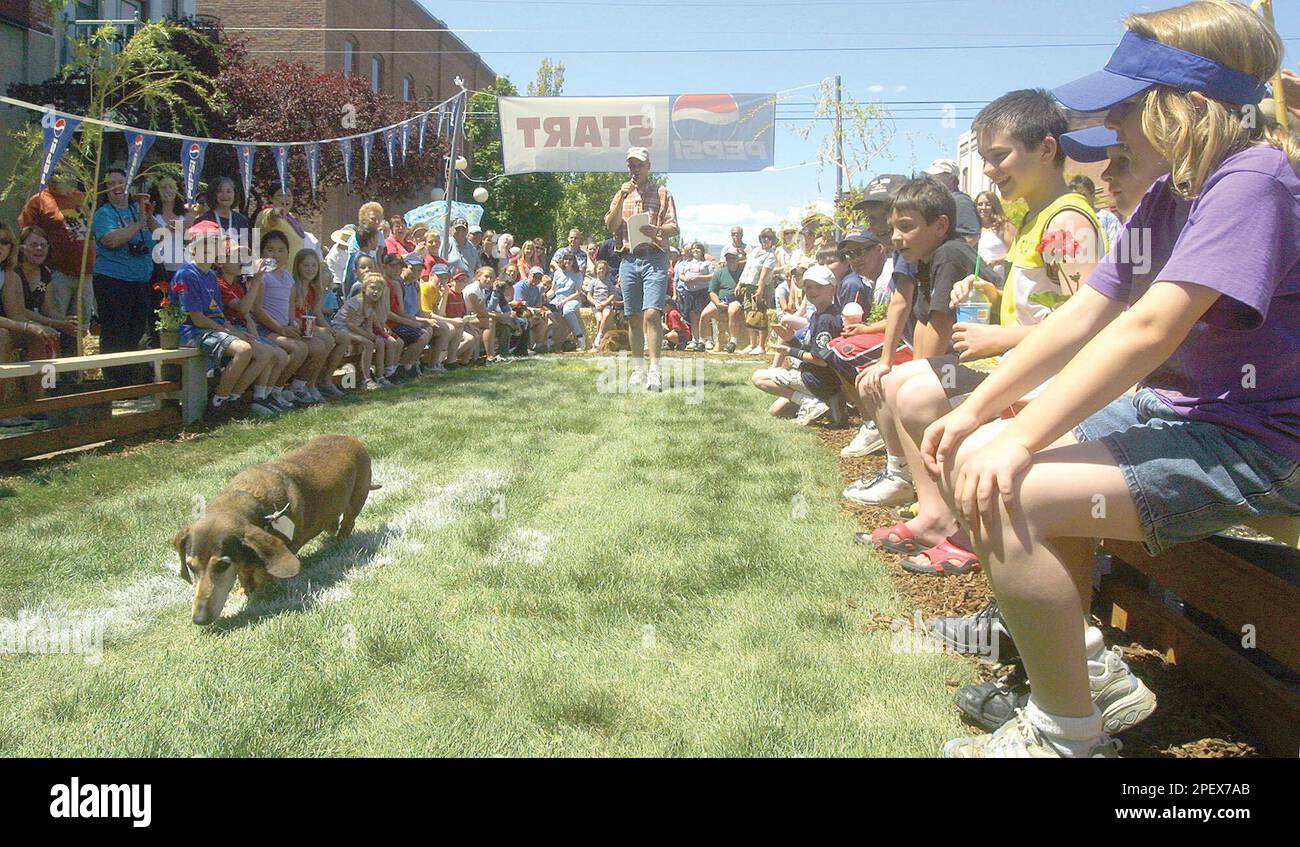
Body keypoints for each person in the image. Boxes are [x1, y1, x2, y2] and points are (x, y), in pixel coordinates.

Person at [929, 0, 1300, 758]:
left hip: (1265, 442)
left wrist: (1018, 436)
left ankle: (1068, 736)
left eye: (1128, 107)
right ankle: (1090, 677)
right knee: (990, 454)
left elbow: (1147, 328)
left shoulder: (1253, 179)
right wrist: (981, 414)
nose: (1115, 131)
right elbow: (1080, 318)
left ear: (1189, 108)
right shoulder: (1172, 195)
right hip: (1185, 415)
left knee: (1015, 486)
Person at [865, 89, 1103, 573]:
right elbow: (1043, 305)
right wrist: (992, 299)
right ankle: (937, 513)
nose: (991, 170)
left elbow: (1089, 324)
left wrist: (1002, 339)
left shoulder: (1068, 221)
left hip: (1050, 377)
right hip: (1025, 362)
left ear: (1047, 149)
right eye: (986, 158)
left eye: (1000, 157)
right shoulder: (1036, 215)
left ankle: (965, 528)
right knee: (898, 383)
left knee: (913, 395)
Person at [846, 177, 981, 507]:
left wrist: (915, 373)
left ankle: (929, 488)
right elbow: (919, 318)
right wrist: (891, 364)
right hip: (959, 361)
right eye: (892, 227)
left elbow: (940, 325)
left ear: (940, 225)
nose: (894, 236)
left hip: (985, 364)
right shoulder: (923, 257)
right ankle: (903, 474)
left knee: (903, 390)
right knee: (878, 382)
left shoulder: (948, 254)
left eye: (905, 226)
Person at [174, 222, 268, 419]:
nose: (210, 250)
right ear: (193, 249)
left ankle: (234, 400)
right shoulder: (187, 273)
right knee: (244, 350)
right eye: (205, 246)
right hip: (193, 333)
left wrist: (232, 329)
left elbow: (217, 313)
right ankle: (217, 404)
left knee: (260, 351)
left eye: (214, 245)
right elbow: (198, 319)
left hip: (213, 329)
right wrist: (229, 331)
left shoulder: (210, 276)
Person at [604, 146, 679, 391]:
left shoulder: (662, 192)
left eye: (639, 165)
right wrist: (620, 201)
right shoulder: (622, 193)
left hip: (655, 257)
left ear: (648, 167)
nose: (635, 169)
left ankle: (655, 369)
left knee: (651, 314)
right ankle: (638, 369)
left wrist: (656, 230)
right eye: (631, 165)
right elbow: (610, 224)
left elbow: (674, 227)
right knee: (633, 316)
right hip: (628, 258)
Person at [751, 265, 843, 423]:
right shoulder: (818, 315)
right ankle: (815, 402)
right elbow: (812, 350)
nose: (813, 291)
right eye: (808, 287)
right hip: (816, 377)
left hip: (818, 380)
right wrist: (791, 339)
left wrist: (789, 350)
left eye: (819, 286)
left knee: (758, 377)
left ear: (832, 289)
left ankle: (810, 402)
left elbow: (820, 360)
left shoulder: (826, 319)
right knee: (776, 411)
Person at [92, 168, 156, 385]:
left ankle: (128, 381)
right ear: (106, 189)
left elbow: (158, 239)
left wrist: (148, 215)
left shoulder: (137, 210)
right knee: (115, 333)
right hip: (113, 281)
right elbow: (111, 240)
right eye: (112, 183)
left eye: (122, 182)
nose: (117, 187)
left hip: (140, 281)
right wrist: (138, 223)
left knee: (135, 331)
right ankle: (113, 382)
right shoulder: (104, 213)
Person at [215, 246, 295, 413]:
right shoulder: (220, 284)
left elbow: (246, 313)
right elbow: (243, 308)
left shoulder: (236, 285)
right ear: (221, 262)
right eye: (236, 257)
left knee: (278, 355)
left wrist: (251, 322)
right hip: (228, 330)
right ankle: (230, 399)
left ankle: (259, 397)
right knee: (268, 353)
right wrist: (258, 280)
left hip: (241, 328)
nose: (241, 261)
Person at [18, 169, 94, 322]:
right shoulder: (38, 200)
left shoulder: (78, 196)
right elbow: (27, 235)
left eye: (60, 172)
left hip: (85, 273)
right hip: (58, 273)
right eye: (52, 172)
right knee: (57, 324)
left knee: (80, 327)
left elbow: (85, 231)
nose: (56, 176)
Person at [250, 230, 315, 404]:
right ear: (262, 252)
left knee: (315, 346)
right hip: (264, 329)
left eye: (281, 250)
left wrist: (293, 323)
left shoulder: (287, 277)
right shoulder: (261, 276)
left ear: (287, 254)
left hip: (283, 328)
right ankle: (273, 391)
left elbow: (290, 306)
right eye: (270, 250)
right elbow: (257, 310)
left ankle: (288, 388)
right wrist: (280, 329)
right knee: (299, 348)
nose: (275, 254)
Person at [10, 226, 77, 356]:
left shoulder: (45, 273)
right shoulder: (13, 272)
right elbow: (20, 310)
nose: (39, 249)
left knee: (55, 335)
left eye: (43, 245)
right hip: (15, 324)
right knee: (41, 334)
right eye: (34, 245)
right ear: (22, 248)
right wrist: (57, 324)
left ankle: (55, 375)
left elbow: (48, 309)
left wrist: (67, 322)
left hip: (37, 322)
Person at [291, 248, 348, 397]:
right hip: (296, 326)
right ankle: (308, 384)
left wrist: (327, 328)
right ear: (298, 266)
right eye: (306, 265)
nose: (310, 269)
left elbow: (316, 312)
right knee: (325, 341)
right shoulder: (293, 286)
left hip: (308, 326)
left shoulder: (315, 288)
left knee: (342, 338)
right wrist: (320, 330)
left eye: (313, 266)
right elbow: (291, 316)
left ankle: (326, 380)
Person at [329, 275, 388, 391]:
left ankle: (380, 375)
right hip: (340, 327)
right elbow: (349, 323)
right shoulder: (357, 301)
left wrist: (372, 336)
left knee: (379, 342)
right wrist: (367, 336)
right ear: (365, 288)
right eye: (372, 288)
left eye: (379, 290)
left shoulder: (372, 306)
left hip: (354, 329)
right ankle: (367, 380)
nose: (375, 292)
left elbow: (369, 326)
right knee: (368, 343)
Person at [380, 250, 432, 377]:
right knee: (421, 335)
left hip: (397, 321)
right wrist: (414, 322)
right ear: (384, 266)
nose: (397, 270)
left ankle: (407, 366)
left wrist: (421, 321)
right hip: (387, 323)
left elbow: (402, 311)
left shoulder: (400, 284)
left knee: (427, 330)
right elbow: (388, 313)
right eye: (393, 267)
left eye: (399, 267)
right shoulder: (382, 284)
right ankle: (399, 368)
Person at [735, 227, 778, 354]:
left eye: (769, 237)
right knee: (749, 314)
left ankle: (761, 346)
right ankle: (752, 344)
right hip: (748, 286)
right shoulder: (754, 252)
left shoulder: (770, 255)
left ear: (772, 240)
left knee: (760, 315)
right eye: (764, 237)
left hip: (761, 287)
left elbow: (764, 275)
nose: (766, 239)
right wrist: (739, 283)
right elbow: (747, 269)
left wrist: (760, 290)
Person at [922, 158, 982, 246]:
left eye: (937, 177)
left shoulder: (960, 201)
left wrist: (951, 256)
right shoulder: (942, 201)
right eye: (931, 177)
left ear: (951, 179)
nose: (932, 181)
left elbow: (972, 236)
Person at [700, 246, 745, 353]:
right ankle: (705, 341)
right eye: (728, 258)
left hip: (735, 300)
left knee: (732, 311)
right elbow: (712, 291)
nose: (730, 260)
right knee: (704, 315)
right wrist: (718, 303)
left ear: (737, 259)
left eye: (733, 258)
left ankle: (733, 341)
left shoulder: (743, 273)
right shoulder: (719, 273)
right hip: (720, 300)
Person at [1068, 174, 1124, 254]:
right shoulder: (1066, 221)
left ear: (1092, 195)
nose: (1080, 200)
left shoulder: (1108, 219)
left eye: (1083, 196)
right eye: (1075, 196)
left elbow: (1116, 251)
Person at [675, 242, 714, 352]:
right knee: (693, 316)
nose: (695, 250)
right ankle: (695, 339)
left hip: (702, 292)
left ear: (702, 250)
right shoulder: (686, 263)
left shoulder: (706, 263)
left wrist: (699, 278)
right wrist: (685, 279)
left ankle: (707, 339)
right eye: (693, 249)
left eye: (697, 248)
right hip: (689, 292)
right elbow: (681, 275)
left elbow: (712, 276)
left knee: (704, 316)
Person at [547, 252, 588, 351]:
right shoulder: (557, 273)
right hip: (558, 298)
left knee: (568, 310)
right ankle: (549, 339)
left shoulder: (577, 274)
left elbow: (578, 293)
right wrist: (545, 297)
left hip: (572, 299)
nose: (567, 261)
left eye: (570, 259)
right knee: (547, 310)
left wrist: (564, 301)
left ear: (574, 262)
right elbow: (553, 290)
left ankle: (580, 338)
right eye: (566, 259)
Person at [974, 190, 1016, 282]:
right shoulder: (975, 228)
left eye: (987, 204)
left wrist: (996, 261)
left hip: (1000, 279)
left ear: (994, 206)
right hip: (979, 278)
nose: (983, 208)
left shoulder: (1004, 226)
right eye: (980, 204)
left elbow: (1016, 253)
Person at [514, 266, 550, 353]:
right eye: (535, 276)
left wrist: (543, 311)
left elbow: (538, 305)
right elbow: (519, 304)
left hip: (531, 311)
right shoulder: (521, 286)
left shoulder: (537, 289)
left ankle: (538, 346)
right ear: (529, 275)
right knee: (528, 317)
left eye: (539, 277)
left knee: (544, 321)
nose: (536, 279)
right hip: (519, 311)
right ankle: (527, 346)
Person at [583, 258, 617, 348]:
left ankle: (599, 335)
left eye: (603, 269)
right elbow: (589, 295)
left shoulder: (608, 282)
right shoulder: (593, 282)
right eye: (599, 268)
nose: (601, 270)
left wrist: (605, 303)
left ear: (606, 271)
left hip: (606, 304)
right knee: (599, 318)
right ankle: (598, 337)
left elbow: (612, 294)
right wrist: (596, 303)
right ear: (596, 270)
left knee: (605, 316)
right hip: (596, 305)